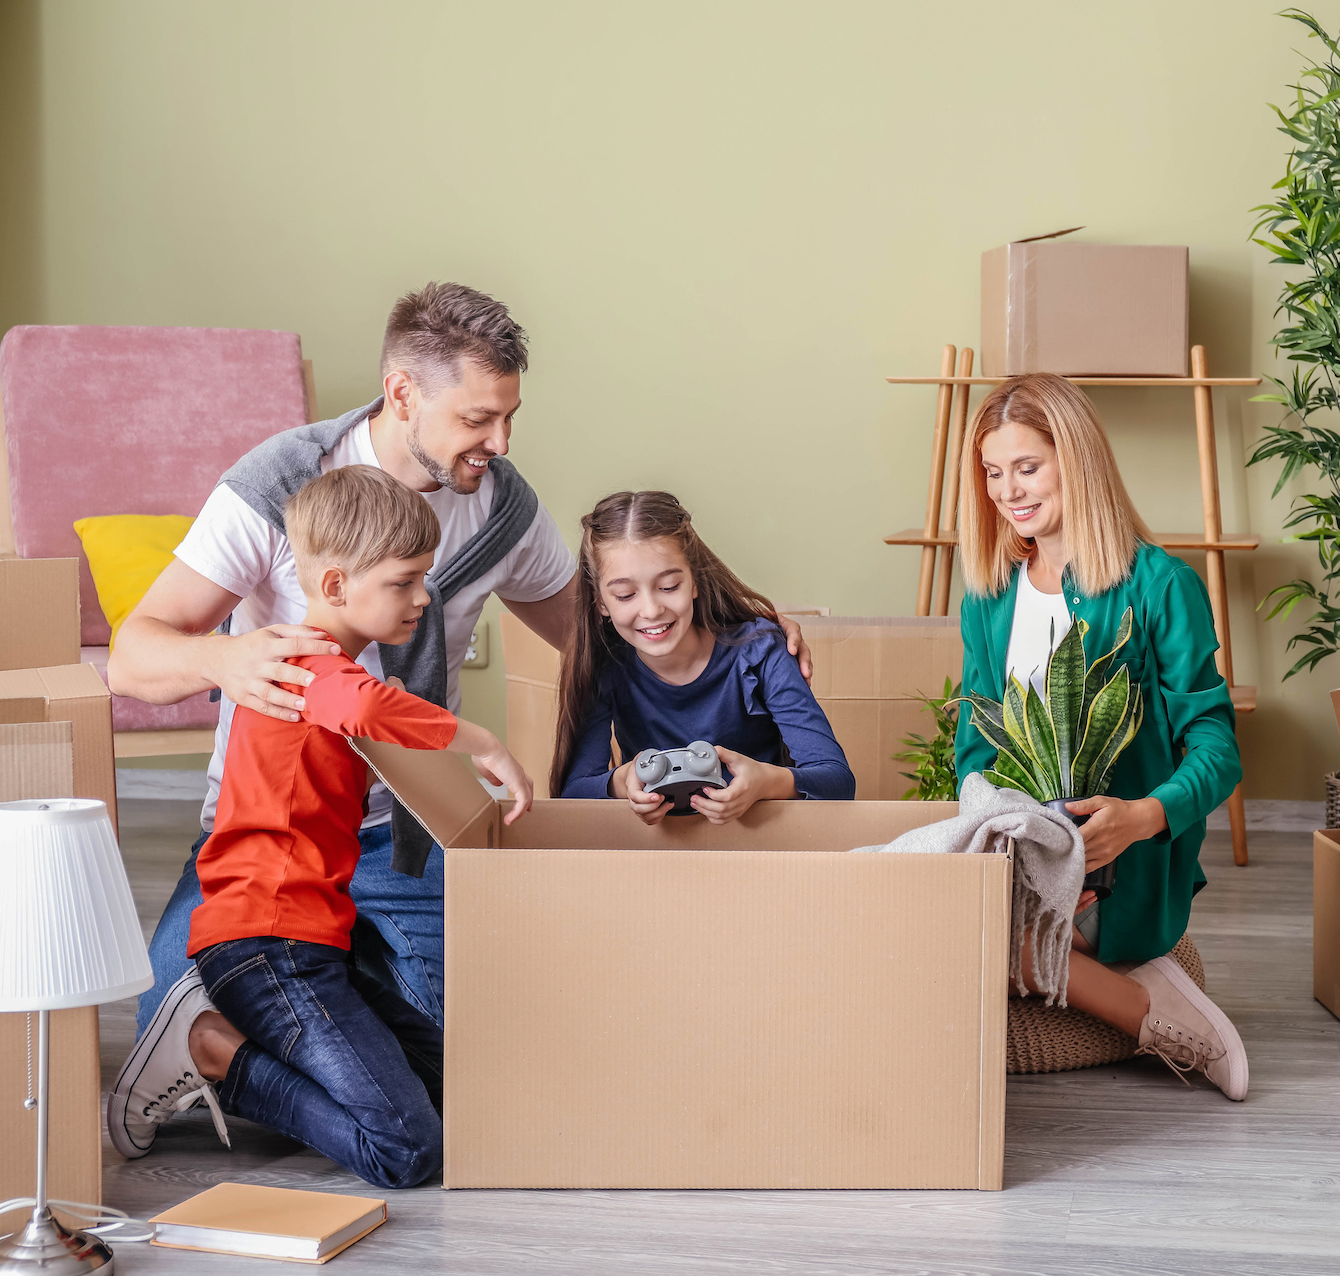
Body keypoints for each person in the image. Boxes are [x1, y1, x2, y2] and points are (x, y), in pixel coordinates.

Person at [104, 282, 814, 1158]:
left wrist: (746, 634)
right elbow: (132, 654)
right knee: (168, 1016)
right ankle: (312, 1017)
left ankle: (351, 993)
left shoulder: (501, 505)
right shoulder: (286, 482)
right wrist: (224, 658)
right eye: (479, 419)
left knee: (477, 1081)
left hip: (406, 830)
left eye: (510, 416)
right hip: (267, 836)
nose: (501, 443)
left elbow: (608, 637)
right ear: (404, 393)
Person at [186, 466, 533, 1187]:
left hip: (316, 942)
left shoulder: (325, 670)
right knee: (408, 1152)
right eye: (405, 581)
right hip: (268, 944)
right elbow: (368, 709)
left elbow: (366, 710)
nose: (423, 596)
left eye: (424, 578)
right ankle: (224, 1056)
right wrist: (483, 741)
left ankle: (267, 1052)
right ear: (337, 585)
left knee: (459, 1091)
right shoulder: (309, 667)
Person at [953, 373, 1248, 1100]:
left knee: (966, 946)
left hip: (1124, 864)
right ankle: (1138, 996)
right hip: (1023, 851)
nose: (1007, 491)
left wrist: (1143, 816)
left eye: (1027, 467)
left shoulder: (1161, 586)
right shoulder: (988, 599)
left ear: (1075, 459)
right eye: (993, 472)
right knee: (918, 925)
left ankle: (1160, 1016)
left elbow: (1217, 748)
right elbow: (974, 750)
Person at [556, 491, 853, 822]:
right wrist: (620, 783)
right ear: (600, 602)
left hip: (759, 846)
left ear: (694, 582)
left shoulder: (760, 653)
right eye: (625, 595)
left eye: (669, 586)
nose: (652, 610)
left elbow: (838, 781)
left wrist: (767, 782)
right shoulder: (606, 666)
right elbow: (573, 794)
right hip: (659, 854)